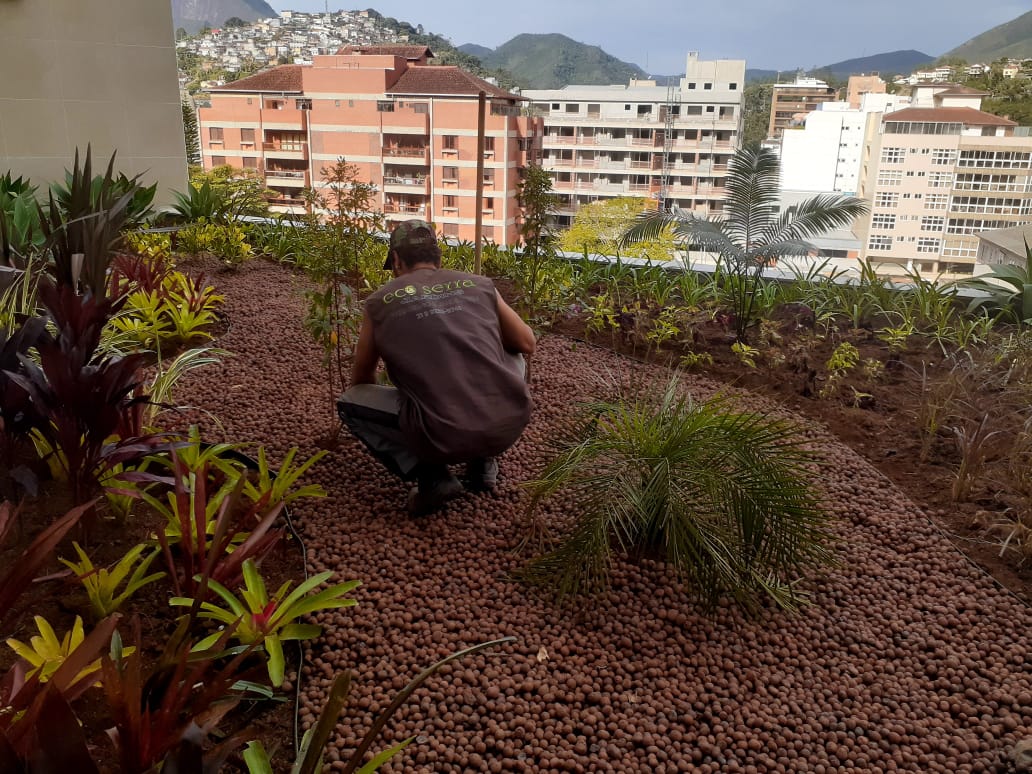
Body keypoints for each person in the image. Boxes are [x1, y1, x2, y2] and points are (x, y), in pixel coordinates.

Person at [337, 220, 535, 516]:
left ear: (396, 259)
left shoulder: (379, 302)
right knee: (515, 355)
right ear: (438, 256)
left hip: (438, 431)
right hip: (508, 422)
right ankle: (482, 463)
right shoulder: (480, 285)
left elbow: (361, 379)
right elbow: (526, 342)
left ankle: (432, 477)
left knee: (350, 403)